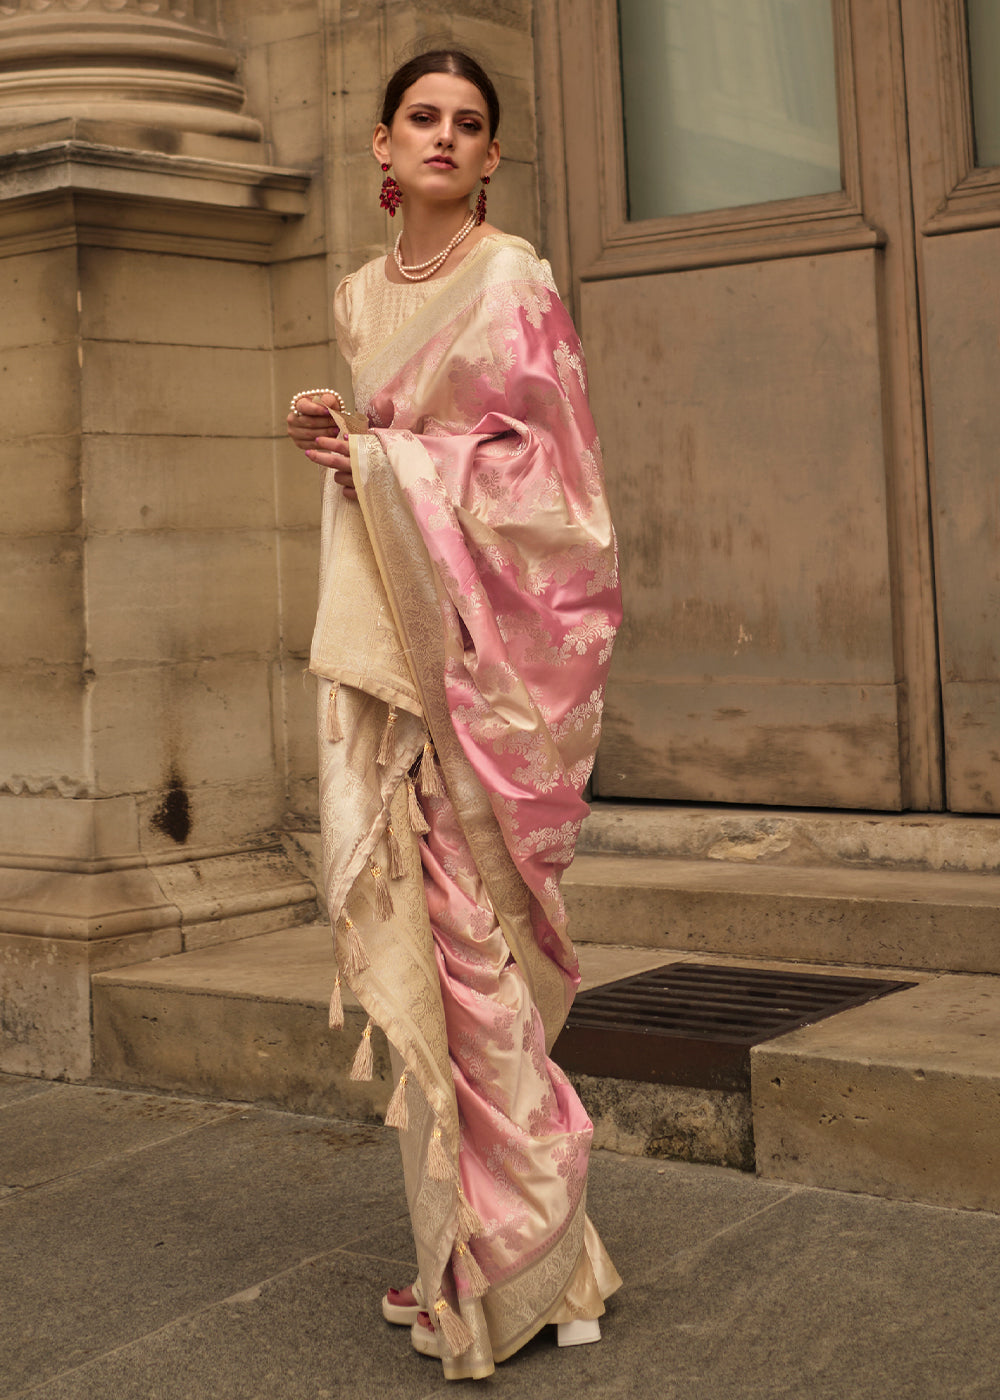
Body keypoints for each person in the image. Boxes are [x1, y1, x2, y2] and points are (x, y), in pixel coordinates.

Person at [286, 49, 622, 1382]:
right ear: (381, 146)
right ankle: (464, 1256)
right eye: (421, 117)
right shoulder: (364, 293)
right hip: (406, 670)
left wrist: (383, 458)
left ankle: (548, 1259)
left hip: (488, 680)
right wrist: (349, 439)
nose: (442, 136)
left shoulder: (515, 278)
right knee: (433, 962)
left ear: (491, 159)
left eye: (468, 124)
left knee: (479, 967)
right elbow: (407, 447)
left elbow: (558, 489)